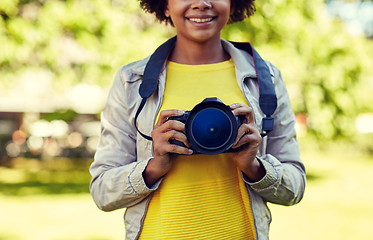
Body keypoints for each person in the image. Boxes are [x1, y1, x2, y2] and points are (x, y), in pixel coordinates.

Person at [89, 0, 306, 239]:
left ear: (234, 3)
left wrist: (254, 166)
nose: (202, 3)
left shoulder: (266, 80)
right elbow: (102, 192)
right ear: (164, 5)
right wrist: (154, 166)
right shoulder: (132, 82)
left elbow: (294, 188)